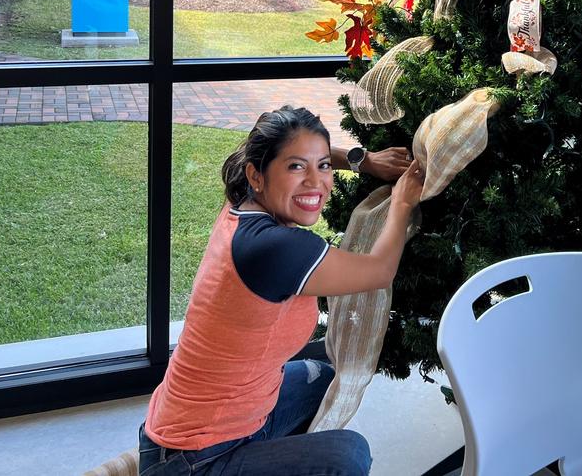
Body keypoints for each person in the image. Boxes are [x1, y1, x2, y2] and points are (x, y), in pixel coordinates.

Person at [138, 106, 424, 475]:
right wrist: (402, 202)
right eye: (296, 167)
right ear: (256, 175)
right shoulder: (276, 248)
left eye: (322, 166)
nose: (316, 183)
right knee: (348, 455)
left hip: (226, 419)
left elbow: (280, 139)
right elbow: (379, 271)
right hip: (193, 457)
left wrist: (363, 161)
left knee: (320, 379)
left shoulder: (243, 200)